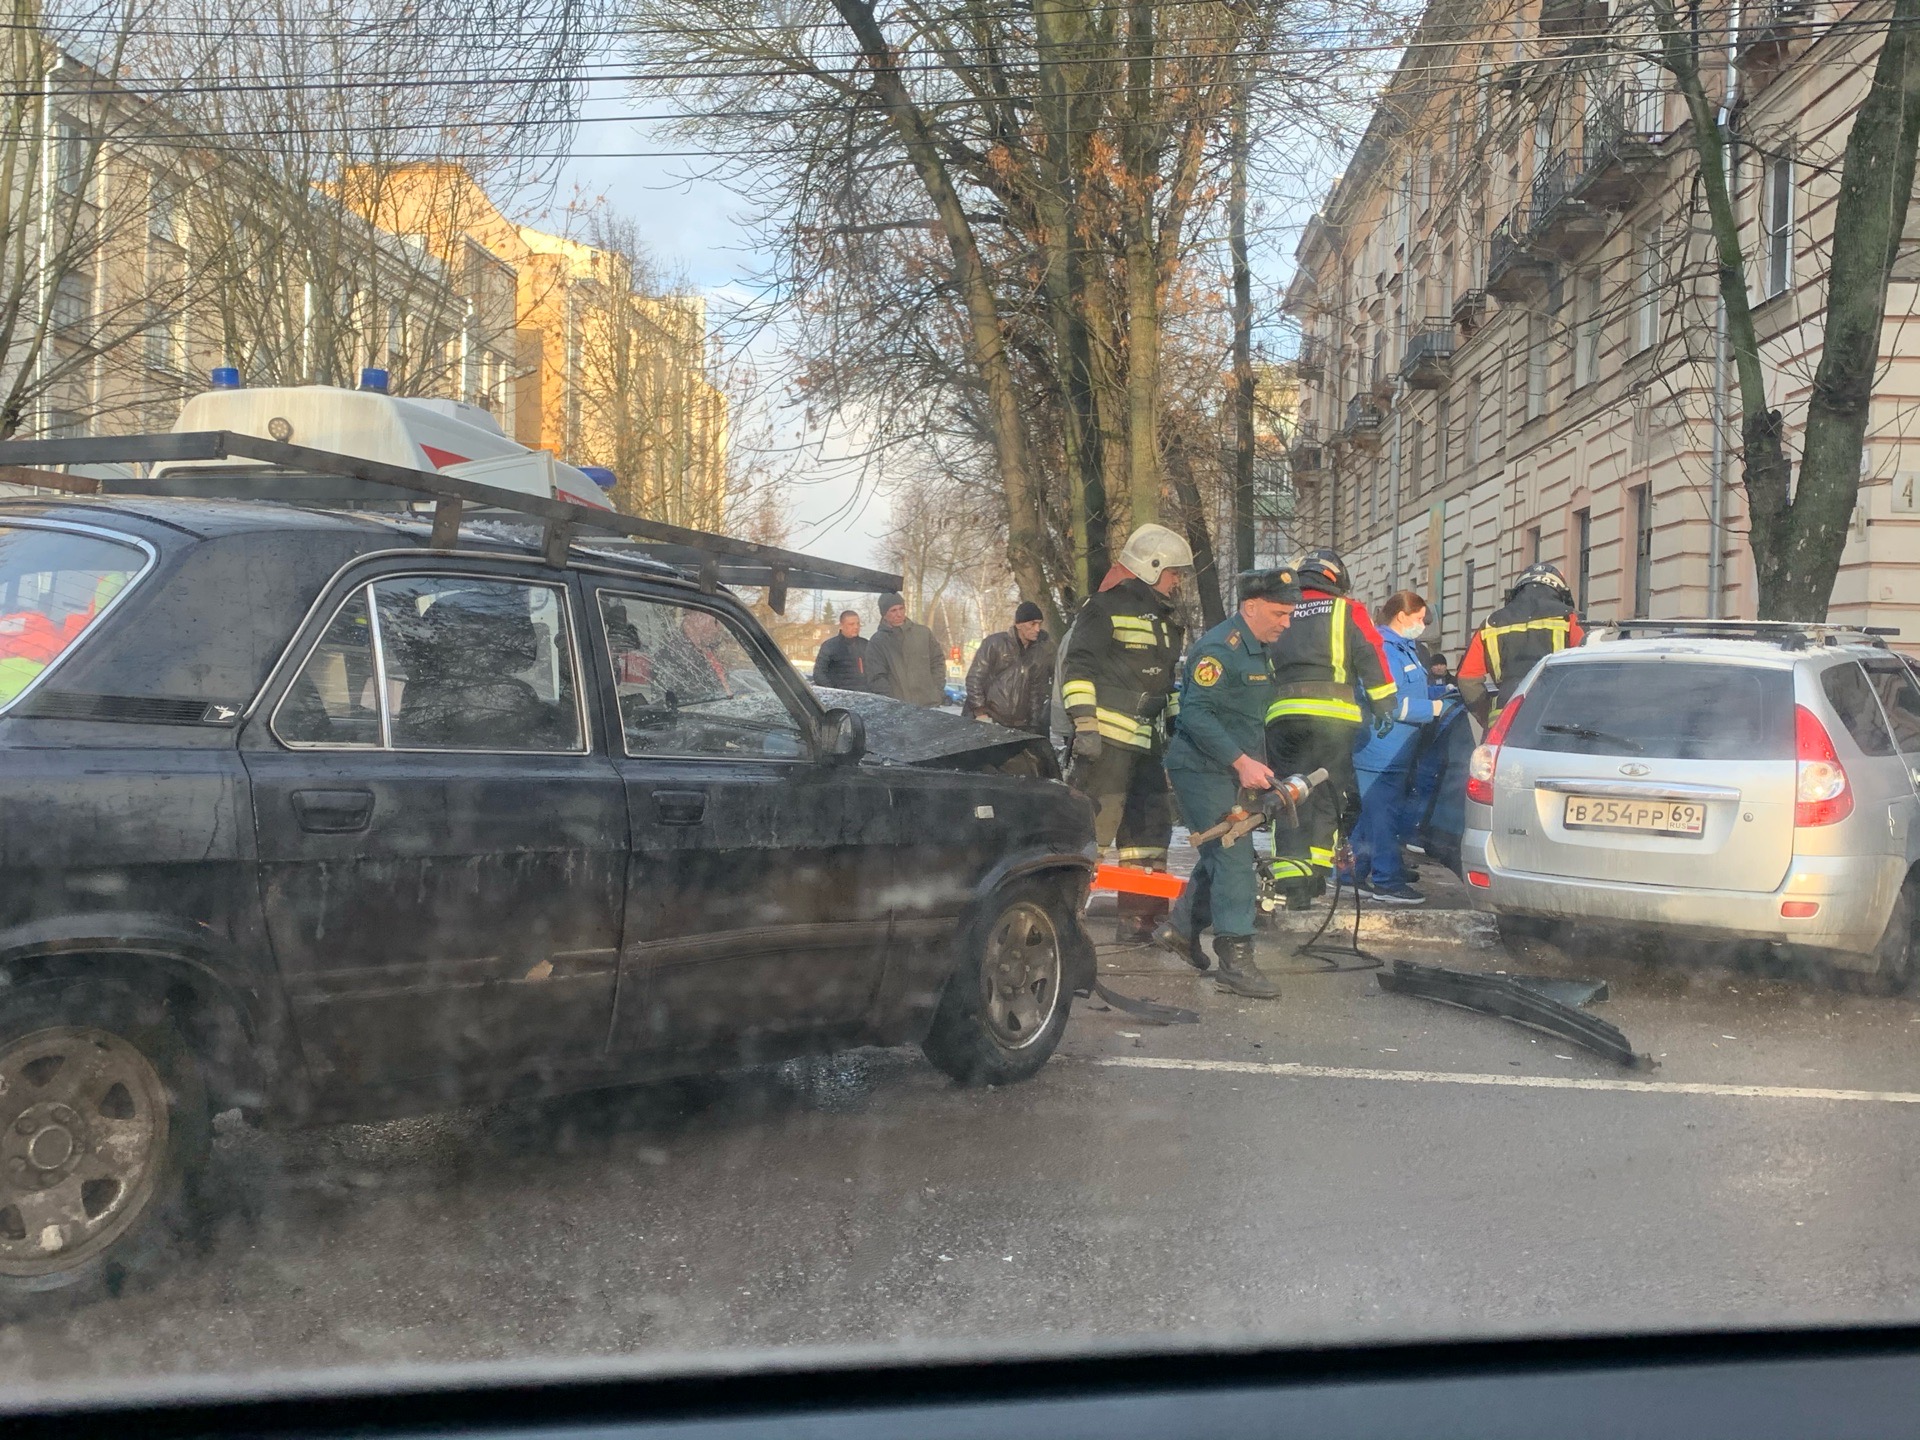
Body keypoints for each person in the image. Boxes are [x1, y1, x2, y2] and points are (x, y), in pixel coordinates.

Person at [1157, 568, 1300, 998]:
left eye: (1290, 613)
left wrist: (1256, 765)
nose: (1286, 622)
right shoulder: (1221, 648)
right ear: (1250, 607)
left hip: (1229, 766)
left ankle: (1181, 931)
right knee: (1234, 855)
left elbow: (1245, 717)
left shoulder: (1258, 647)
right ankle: (1235, 962)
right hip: (1200, 767)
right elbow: (1195, 714)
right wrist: (1241, 763)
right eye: (1279, 612)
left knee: (1220, 853)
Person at [1058, 523, 1190, 942]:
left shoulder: (1169, 620)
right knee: (1090, 836)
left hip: (1148, 747)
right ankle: (1063, 922)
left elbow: (1165, 682)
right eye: (1173, 572)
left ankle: (1140, 923)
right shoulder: (1103, 608)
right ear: (1151, 567)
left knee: (1148, 839)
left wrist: (1174, 725)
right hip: (1106, 746)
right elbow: (1077, 668)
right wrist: (1085, 726)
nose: (1177, 581)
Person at [1263, 548, 1398, 908]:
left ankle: (1290, 878)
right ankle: (1316, 876)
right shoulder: (1347, 609)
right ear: (1335, 579)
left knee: (1288, 794)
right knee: (1326, 795)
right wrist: (1385, 702)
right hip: (1332, 719)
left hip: (1281, 716)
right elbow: (1370, 653)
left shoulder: (1280, 610)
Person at [1345, 590, 1446, 905]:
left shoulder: (1405, 647)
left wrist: (1441, 691)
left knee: (1374, 815)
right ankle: (1386, 881)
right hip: (1380, 749)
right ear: (1402, 616)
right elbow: (1386, 702)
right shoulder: (1384, 648)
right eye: (1419, 619)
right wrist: (1432, 710)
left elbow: (1410, 687)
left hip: (1396, 749)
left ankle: (1349, 874)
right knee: (1383, 816)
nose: (1422, 625)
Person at [1456, 561, 1585, 725]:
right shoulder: (1569, 619)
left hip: (1504, 721)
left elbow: (1467, 678)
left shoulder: (1490, 623)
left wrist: (1486, 713)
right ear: (1559, 591)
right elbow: (1585, 671)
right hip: (1554, 720)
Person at [963, 601, 1055, 732]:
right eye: (1032, 624)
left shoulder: (1040, 653)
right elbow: (974, 679)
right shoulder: (994, 644)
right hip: (990, 720)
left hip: (1020, 725)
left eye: (1039, 624)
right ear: (1019, 624)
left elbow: (1037, 690)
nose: (1037, 629)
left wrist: (1034, 724)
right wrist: (981, 712)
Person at [867, 592, 947, 706]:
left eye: (901, 608)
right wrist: (891, 702)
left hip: (929, 705)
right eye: (893, 610)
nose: (899, 614)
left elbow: (938, 662)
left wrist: (936, 692)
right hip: (898, 709)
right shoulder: (878, 641)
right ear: (884, 614)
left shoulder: (923, 633)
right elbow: (876, 677)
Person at [813, 610, 871, 691]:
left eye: (858, 624)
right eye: (851, 624)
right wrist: (834, 691)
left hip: (865, 696)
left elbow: (875, 671)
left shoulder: (866, 645)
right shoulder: (830, 646)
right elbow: (819, 674)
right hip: (841, 697)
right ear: (841, 626)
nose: (856, 627)